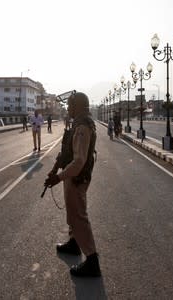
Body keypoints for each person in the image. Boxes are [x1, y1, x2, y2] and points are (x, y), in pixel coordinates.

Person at [44, 92, 100, 277]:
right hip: (71, 175)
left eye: (70, 105)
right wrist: (54, 169)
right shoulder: (76, 123)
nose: (68, 108)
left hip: (77, 177)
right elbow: (66, 151)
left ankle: (92, 261)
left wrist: (58, 178)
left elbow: (78, 161)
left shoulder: (83, 126)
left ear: (79, 106)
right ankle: (74, 243)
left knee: (79, 216)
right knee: (72, 212)